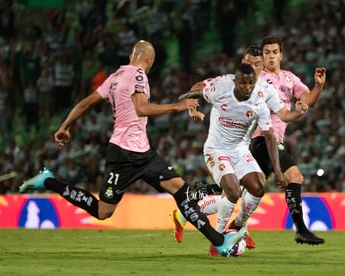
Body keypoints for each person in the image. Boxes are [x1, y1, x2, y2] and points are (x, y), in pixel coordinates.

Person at [18, 40, 246, 257]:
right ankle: (48, 181)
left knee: (181, 191)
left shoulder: (115, 76)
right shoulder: (139, 75)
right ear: (151, 60)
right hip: (125, 154)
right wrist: (179, 106)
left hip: (140, 152)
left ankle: (219, 241)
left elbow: (87, 102)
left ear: (131, 56)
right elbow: (141, 109)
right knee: (103, 211)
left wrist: (64, 126)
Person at [182, 37, 327, 245]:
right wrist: (190, 101)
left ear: (281, 55)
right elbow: (209, 87)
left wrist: (318, 87)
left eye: (274, 52)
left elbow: (306, 101)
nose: (270, 56)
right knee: (293, 176)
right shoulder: (256, 79)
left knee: (242, 190)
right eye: (266, 53)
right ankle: (299, 229)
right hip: (261, 139)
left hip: (270, 141)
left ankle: (196, 201)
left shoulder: (288, 79)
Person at [174, 63, 288, 256]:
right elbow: (195, 91)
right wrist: (190, 106)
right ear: (236, 81)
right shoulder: (220, 87)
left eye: (251, 83)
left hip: (240, 150)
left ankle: (235, 225)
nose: (247, 87)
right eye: (243, 83)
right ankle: (218, 240)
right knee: (233, 191)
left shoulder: (260, 102)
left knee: (258, 186)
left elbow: (270, 136)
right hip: (216, 149)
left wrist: (277, 171)